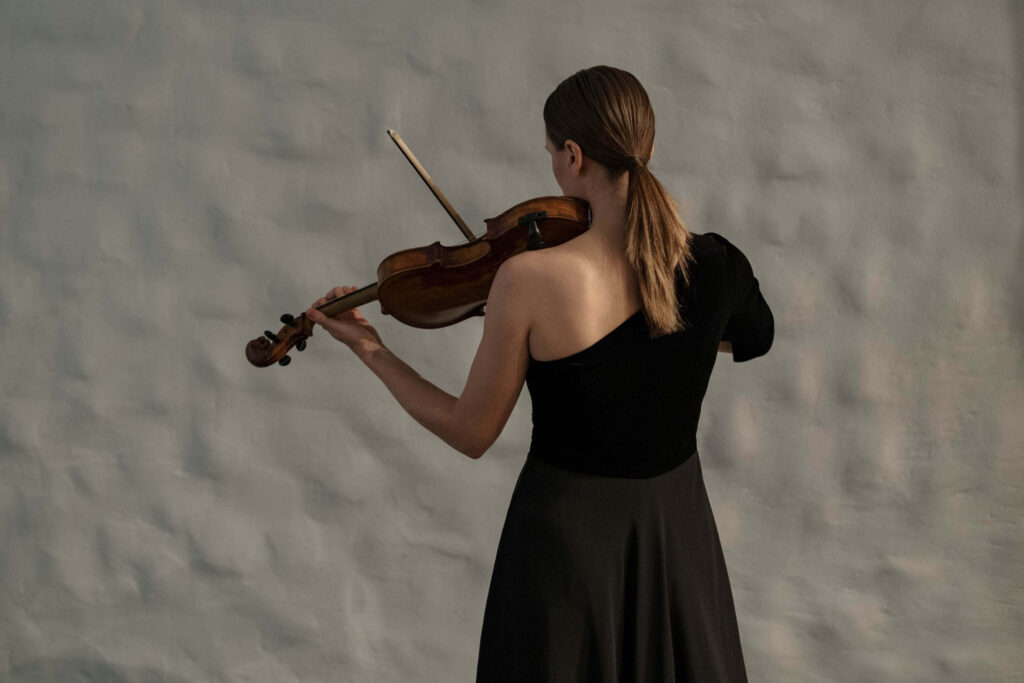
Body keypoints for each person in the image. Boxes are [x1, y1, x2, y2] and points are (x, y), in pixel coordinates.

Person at [305, 65, 773, 682]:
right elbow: (753, 337)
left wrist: (373, 349)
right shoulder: (716, 263)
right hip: (675, 537)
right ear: (648, 146)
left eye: (553, 153)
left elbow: (471, 432)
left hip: (567, 550)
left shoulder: (528, 281)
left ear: (574, 156)